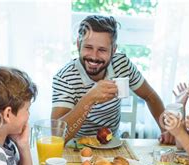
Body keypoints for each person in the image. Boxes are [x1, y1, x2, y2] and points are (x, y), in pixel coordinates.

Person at [51, 15, 174, 144]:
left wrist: (165, 129)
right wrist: (90, 98)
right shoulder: (64, 78)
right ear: (78, 44)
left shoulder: (122, 64)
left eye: (102, 50)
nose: (94, 56)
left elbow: (150, 96)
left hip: (112, 143)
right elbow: (58, 136)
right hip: (76, 146)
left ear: (113, 50)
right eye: (88, 47)